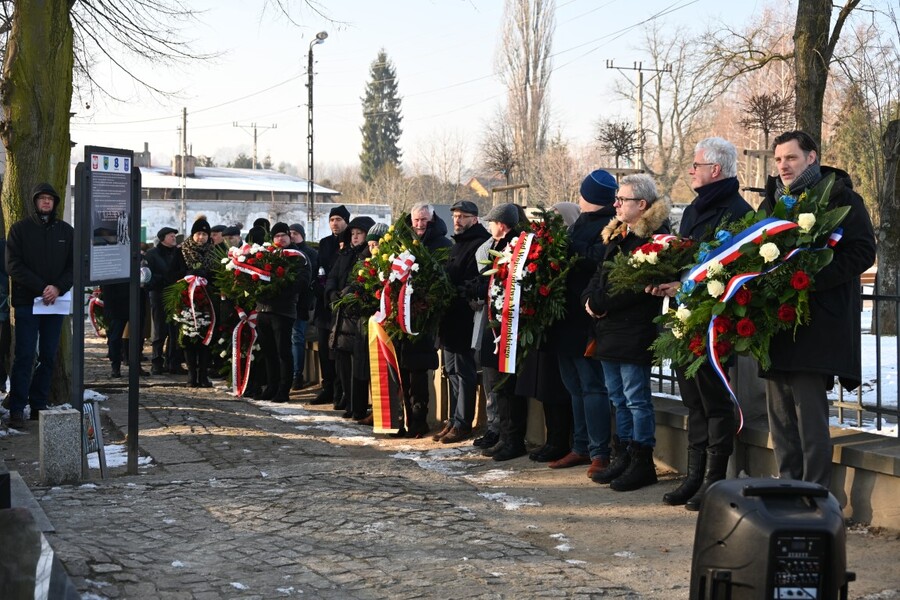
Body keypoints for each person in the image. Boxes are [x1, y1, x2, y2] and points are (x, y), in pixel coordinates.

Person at [761, 131, 876, 488]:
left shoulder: (842, 198)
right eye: (778, 159)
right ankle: (788, 487)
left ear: (811, 158)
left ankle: (814, 494)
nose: (783, 166)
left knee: (809, 420)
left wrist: (811, 277)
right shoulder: (771, 203)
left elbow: (862, 251)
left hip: (818, 324)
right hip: (776, 324)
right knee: (780, 420)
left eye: (791, 158)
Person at [648, 137, 752, 510]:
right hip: (685, 315)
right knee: (692, 399)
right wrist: (666, 277)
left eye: (696, 165)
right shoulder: (694, 208)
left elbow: (733, 267)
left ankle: (713, 480)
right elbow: (686, 257)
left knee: (715, 400)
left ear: (715, 169)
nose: (691, 170)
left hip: (714, 321)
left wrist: (687, 285)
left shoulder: (737, 212)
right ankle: (693, 476)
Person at [584, 174, 670, 491]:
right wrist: (588, 299)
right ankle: (622, 455)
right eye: (617, 199)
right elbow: (600, 274)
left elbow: (635, 286)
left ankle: (641, 461)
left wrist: (599, 302)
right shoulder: (618, 234)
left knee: (636, 400)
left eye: (622, 200)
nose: (616, 204)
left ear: (642, 204)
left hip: (634, 329)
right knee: (618, 398)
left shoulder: (655, 239)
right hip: (608, 330)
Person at [548, 172, 617, 476]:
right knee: (573, 386)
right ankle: (580, 446)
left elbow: (600, 259)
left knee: (592, 386)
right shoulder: (580, 222)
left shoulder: (609, 225)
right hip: (565, 317)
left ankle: (599, 451)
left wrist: (570, 246)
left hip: (587, 317)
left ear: (590, 196)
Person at [5, 183, 74, 429]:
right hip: (27, 302)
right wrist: (42, 287)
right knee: (25, 355)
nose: (46, 202)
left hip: (55, 303)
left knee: (48, 355)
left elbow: (74, 265)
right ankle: (17, 407)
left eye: (50, 198)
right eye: (42, 198)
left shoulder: (66, 231)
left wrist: (57, 288)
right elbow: (13, 265)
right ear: (35, 202)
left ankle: (38, 405)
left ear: (55, 203)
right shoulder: (20, 229)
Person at [468, 203, 529, 461]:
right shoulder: (499, 245)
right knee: (498, 386)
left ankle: (513, 439)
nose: (489, 226)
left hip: (508, 327)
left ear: (501, 225)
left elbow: (509, 282)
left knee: (508, 386)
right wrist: (476, 286)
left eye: (492, 222)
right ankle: (504, 436)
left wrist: (481, 288)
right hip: (495, 325)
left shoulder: (516, 246)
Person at [434, 200, 491, 444]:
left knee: (463, 371)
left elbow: (473, 280)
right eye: (455, 216)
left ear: (474, 219)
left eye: (463, 216)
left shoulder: (479, 243)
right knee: (451, 371)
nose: (457, 220)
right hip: (450, 317)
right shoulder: (458, 243)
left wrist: (453, 292)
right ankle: (454, 419)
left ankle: (463, 422)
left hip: (464, 318)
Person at [396, 203, 452, 438]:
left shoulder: (443, 245)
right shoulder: (401, 243)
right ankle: (404, 419)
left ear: (432, 219)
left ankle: (419, 422)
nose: (419, 224)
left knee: (418, 373)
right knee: (402, 373)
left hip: (423, 320)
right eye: (416, 220)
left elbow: (444, 281)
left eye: (424, 220)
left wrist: (425, 302)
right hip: (400, 319)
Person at [325, 216, 375, 418]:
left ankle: (358, 407)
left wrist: (349, 293)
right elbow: (332, 276)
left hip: (358, 317)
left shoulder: (368, 256)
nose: (355, 237)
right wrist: (331, 293)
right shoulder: (345, 254)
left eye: (359, 233)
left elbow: (363, 282)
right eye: (352, 234)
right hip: (341, 316)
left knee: (359, 365)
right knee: (343, 364)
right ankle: (349, 403)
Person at [255, 222, 310, 403]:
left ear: (289, 236)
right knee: (268, 351)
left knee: (283, 352)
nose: (280, 239)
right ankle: (272, 386)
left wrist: (279, 291)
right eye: (277, 236)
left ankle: (283, 389)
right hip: (263, 309)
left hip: (283, 310)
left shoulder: (297, 256)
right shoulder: (265, 255)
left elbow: (302, 281)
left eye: (283, 235)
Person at [174, 217, 219, 387]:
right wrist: (187, 275)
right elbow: (172, 274)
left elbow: (218, 275)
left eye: (204, 234)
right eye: (198, 234)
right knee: (188, 337)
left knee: (206, 338)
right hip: (187, 301)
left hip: (207, 302)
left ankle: (203, 375)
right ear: (193, 235)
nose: (201, 237)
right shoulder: (182, 251)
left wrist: (207, 278)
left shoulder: (214, 252)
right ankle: (191, 375)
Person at [313, 205, 351, 406]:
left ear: (346, 221)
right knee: (324, 349)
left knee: (338, 351)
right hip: (324, 303)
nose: (334, 223)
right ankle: (327, 387)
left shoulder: (349, 242)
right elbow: (320, 268)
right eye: (332, 220)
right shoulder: (325, 243)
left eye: (338, 219)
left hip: (340, 303)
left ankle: (340, 391)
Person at [146, 226, 183, 375]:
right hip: (159, 294)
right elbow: (148, 276)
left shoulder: (178, 253)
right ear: (162, 238)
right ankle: (156, 362)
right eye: (171, 236)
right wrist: (163, 279)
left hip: (175, 294)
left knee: (175, 330)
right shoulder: (152, 254)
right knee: (160, 329)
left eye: (174, 235)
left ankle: (173, 362)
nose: (174, 238)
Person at [289, 223, 319, 391]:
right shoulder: (285, 252)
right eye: (290, 233)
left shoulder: (310, 253)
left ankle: (297, 375)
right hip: (287, 304)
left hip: (302, 303)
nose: (292, 236)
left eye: (295, 233)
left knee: (297, 337)